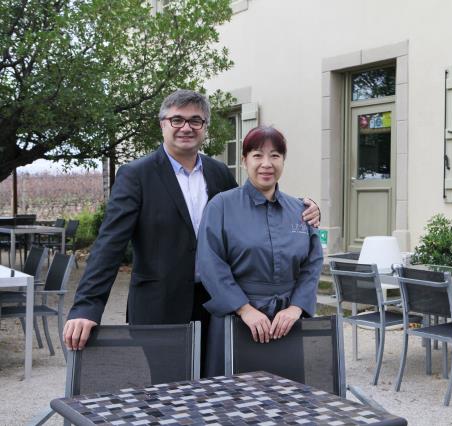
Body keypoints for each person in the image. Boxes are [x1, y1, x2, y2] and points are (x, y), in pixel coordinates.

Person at [63, 90, 320, 357]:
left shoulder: (218, 172)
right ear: (162, 124)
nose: (186, 127)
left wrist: (302, 206)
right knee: (165, 392)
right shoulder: (136, 175)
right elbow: (109, 245)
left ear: (204, 127)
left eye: (195, 121)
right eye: (177, 120)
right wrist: (86, 307)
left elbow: (253, 204)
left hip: (217, 305)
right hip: (160, 307)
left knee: (216, 387)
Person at [197, 126, 323, 376]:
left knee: (287, 398)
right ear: (244, 161)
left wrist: (296, 308)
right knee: (232, 400)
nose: (267, 164)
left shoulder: (300, 210)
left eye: (275, 155)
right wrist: (245, 309)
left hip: (287, 323)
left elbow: (313, 264)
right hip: (236, 320)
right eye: (257, 155)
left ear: (283, 161)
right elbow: (210, 264)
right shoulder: (221, 206)